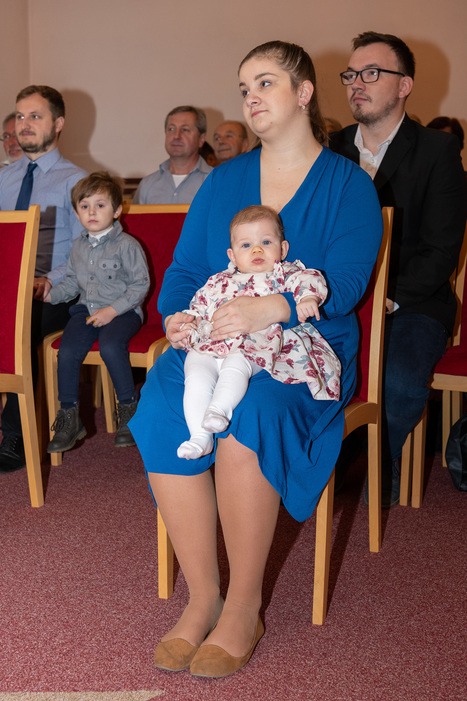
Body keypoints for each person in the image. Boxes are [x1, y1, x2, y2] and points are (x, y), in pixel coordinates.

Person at [129, 40, 382, 678]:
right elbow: (186, 271)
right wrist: (178, 316)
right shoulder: (225, 181)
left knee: (253, 410)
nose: (251, 97)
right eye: (244, 88)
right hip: (219, 340)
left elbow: (347, 283)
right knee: (161, 404)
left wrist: (272, 308)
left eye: (266, 83)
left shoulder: (347, 183)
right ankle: (203, 597)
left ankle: (245, 605)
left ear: (304, 93)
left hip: (305, 348)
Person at [330, 31, 467, 506]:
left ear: (404, 85)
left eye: (371, 73)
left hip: (412, 300)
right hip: (340, 297)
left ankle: (378, 460)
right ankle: (324, 459)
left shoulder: (437, 151)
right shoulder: (328, 150)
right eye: (351, 74)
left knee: (399, 381)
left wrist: (387, 299)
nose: (357, 83)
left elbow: (441, 250)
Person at [177, 204, 341, 460]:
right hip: (216, 341)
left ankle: (219, 409)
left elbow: (310, 279)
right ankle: (199, 436)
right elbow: (198, 307)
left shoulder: (284, 273)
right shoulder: (218, 282)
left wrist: (308, 298)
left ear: (282, 249)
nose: (256, 250)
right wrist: (189, 324)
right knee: (195, 368)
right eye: (246, 245)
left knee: (237, 362)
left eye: (265, 242)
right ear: (232, 256)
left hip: (260, 342)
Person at [0, 85, 87, 472]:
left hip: (57, 292)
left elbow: (84, 251)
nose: (25, 124)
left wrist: (46, 281)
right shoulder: (4, 179)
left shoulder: (76, 181)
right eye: (20, 116)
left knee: (19, 326)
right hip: (8, 288)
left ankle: (16, 435)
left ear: (59, 123)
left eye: (35, 116)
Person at [43, 172, 150, 451]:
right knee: (67, 350)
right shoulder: (77, 246)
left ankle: (128, 409)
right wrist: (50, 295)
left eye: (100, 205)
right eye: (85, 206)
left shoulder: (127, 245)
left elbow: (140, 285)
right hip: (86, 310)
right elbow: (71, 283)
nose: (92, 212)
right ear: (76, 212)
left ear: (116, 210)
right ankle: (69, 416)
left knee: (111, 346)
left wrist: (112, 310)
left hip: (123, 311)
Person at [133, 106, 212, 204]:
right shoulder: (147, 185)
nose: (176, 136)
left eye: (185, 130)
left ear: (201, 139)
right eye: (171, 129)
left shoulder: (215, 181)